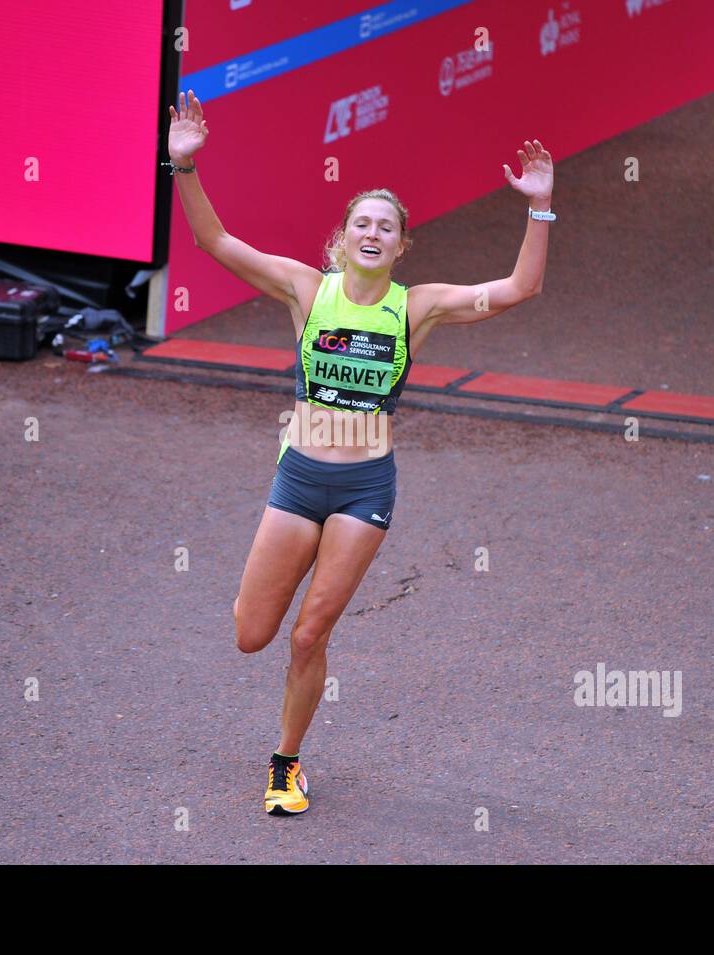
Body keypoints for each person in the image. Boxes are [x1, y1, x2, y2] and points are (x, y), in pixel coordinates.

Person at [166, 89, 554, 815]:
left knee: (310, 632)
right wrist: (185, 167)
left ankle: (286, 762)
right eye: (362, 223)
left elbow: (520, 287)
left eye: (387, 227)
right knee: (253, 634)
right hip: (300, 478)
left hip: (365, 490)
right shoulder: (307, 291)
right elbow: (216, 244)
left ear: (401, 247)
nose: (373, 233)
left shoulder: (417, 306)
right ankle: (278, 687)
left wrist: (539, 206)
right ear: (341, 238)